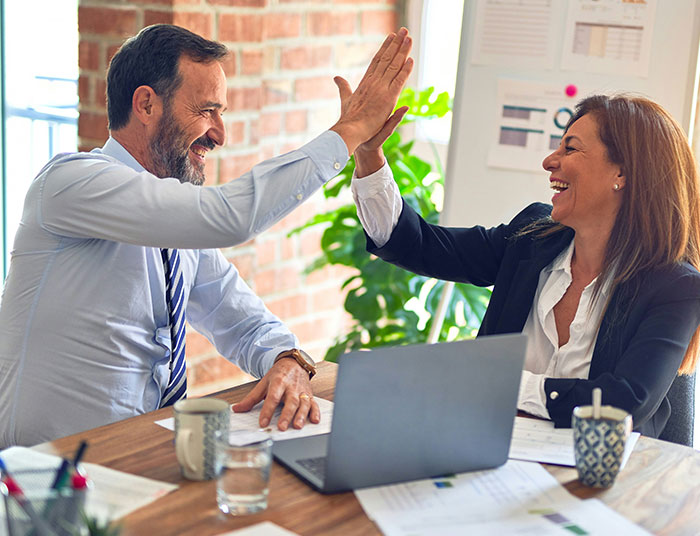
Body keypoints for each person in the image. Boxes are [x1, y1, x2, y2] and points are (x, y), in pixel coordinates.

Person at [0, 24, 413, 447]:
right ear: (145, 104)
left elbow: (243, 320)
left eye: (222, 114)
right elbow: (230, 217)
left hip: (136, 458)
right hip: (41, 476)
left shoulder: (173, 227)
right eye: (206, 111)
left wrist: (288, 359)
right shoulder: (72, 183)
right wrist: (350, 131)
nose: (220, 134)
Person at [350, 94, 700, 438]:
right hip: (494, 454)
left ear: (621, 172)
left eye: (570, 148)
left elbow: (623, 404)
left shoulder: (675, 287)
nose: (550, 161)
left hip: (605, 480)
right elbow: (420, 245)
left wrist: (504, 384)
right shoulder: (532, 237)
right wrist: (369, 154)